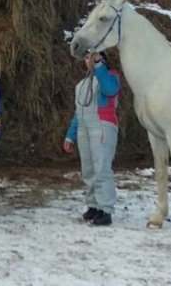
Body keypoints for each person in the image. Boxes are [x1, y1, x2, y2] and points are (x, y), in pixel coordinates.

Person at [63, 50, 120, 226]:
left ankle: (106, 209)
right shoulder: (81, 84)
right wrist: (70, 136)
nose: (89, 60)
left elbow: (110, 90)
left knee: (101, 167)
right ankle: (93, 205)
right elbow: (78, 112)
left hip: (101, 125)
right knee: (88, 168)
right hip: (83, 128)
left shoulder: (110, 76)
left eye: (94, 56)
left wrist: (99, 66)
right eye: (87, 57)